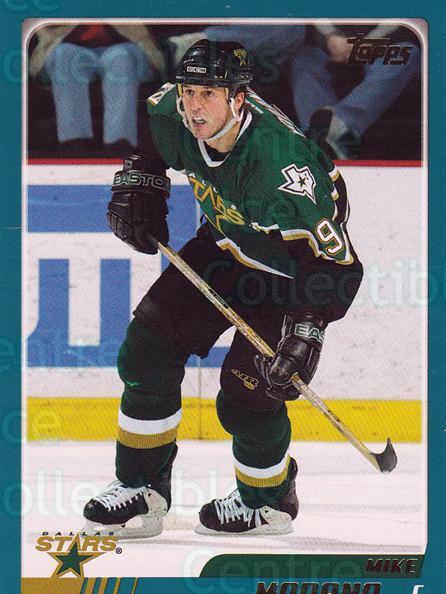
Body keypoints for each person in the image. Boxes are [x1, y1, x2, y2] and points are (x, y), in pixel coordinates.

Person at [83, 40, 363, 538]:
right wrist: (142, 177)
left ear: (238, 97)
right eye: (190, 91)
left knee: (248, 394)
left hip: (290, 275)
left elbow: (337, 264)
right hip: (224, 247)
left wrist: (306, 331)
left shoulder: (283, 168)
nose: (194, 106)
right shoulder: (172, 109)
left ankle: (268, 503)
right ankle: (141, 489)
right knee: (146, 353)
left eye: (208, 94)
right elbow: (154, 139)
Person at [29, 24, 165, 154]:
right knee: (64, 55)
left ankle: (120, 141)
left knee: (121, 57)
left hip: (126, 45)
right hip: (68, 46)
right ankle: (73, 140)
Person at [290, 24, 421, 158]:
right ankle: (316, 141)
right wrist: (330, 37)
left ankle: (340, 127)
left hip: (385, 44)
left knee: (406, 53)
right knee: (304, 59)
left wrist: (369, 42)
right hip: (331, 45)